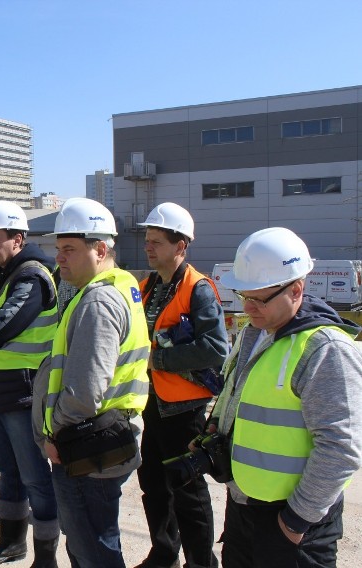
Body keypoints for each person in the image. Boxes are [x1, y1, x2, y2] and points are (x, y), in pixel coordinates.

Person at [209, 227, 362, 567]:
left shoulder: (327, 350)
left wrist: (294, 522)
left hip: (293, 524)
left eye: (258, 299)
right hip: (245, 509)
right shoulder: (257, 333)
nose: (248, 308)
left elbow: (341, 449)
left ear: (296, 289)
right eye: (244, 296)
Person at [32, 198, 150, 567]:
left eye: (69, 249)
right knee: (97, 539)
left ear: (100, 249)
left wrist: (56, 439)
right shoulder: (122, 286)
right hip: (102, 439)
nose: (59, 258)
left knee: (92, 549)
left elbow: (84, 394)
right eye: (58, 249)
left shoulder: (98, 302)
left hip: (85, 447)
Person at [0, 201, 60, 567]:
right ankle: (11, 543)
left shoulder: (32, 277)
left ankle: (46, 556)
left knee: (36, 478)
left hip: (25, 393)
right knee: (9, 472)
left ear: (18, 239)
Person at [135, 203, 227, 568]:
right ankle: (164, 553)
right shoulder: (147, 286)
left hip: (184, 409)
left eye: (157, 241)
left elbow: (216, 349)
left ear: (181, 246)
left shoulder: (198, 289)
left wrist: (157, 360)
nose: (148, 247)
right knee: (153, 484)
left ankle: (201, 562)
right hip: (153, 404)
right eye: (147, 241)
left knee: (188, 491)